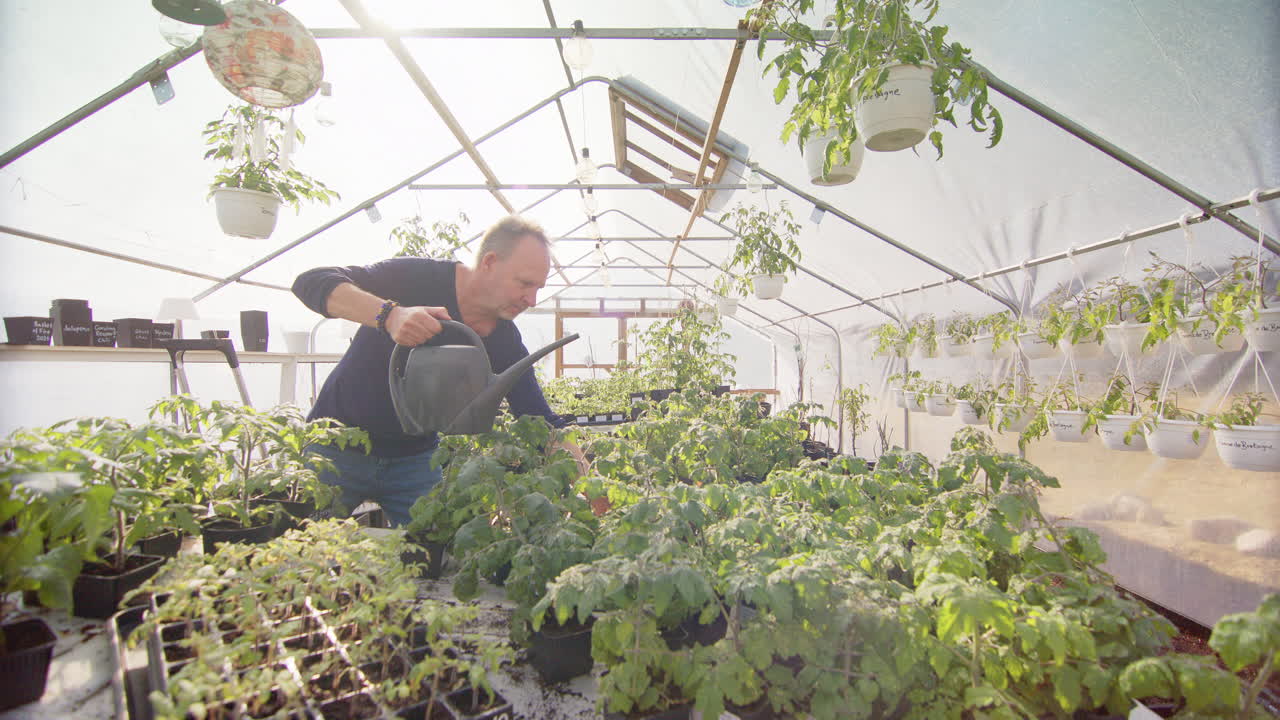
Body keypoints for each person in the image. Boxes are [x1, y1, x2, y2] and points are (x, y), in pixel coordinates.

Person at [292, 215, 582, 526]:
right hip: (334, 448)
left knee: (435, 552)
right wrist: (390, 316)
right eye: (525, 283)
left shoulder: (502, 339)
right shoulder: (416, 279)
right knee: (303, 550)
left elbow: (538, 418)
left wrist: (590, 485)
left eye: (538, 287)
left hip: (415, 461)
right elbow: (310, 282)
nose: (532, 299)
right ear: (490, 263)